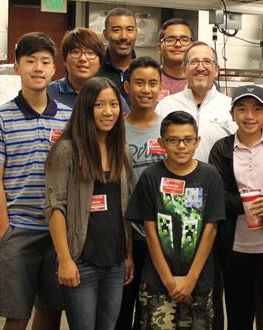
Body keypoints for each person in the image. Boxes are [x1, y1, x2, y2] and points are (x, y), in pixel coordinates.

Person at [0, 32, 69, 330]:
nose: (38, 68)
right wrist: (5, 230)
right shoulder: (1, 118)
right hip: (19, 231)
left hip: (58, 232)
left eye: (45, 61)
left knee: (52, 311)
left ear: (54, 68)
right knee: (16, 316)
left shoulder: (68, 117)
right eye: (30, 61)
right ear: (17, 67)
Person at [44, 77, 133, 330]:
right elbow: (55, 208)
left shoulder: (122, 151)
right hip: (81, 262)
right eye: (99, 105)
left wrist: (128, 255)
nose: (108, 112)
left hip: (115, 263)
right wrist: (65, 260)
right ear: (85, 109)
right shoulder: (67, 150)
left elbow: (122, 207)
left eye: (114, 104)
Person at [126, 111, 226, 329]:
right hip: (158, 282)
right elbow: (150, 233)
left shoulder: (210, 176)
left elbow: (211, 230)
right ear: (162, 143)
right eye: (173, 140)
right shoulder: (151, 177)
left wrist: (190, 280)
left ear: (197, 141)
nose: (181, 146)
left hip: (199, 281)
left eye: (188, 139)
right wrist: (170, 281)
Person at [208, 85, 263, 330]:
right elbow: (217, 195)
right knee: (239, 316)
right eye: (242, 109)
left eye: (257, 109)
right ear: (232, 114)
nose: (249, 116)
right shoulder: (221, 148)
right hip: (235, 248)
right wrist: (245, 204)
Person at [117, 56, 166, 330]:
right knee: (122, 310)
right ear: (127, 87)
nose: (146, 90)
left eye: (152, 83)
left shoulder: (169, 130)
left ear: (161, 88)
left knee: (155, 314)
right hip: (124, 235)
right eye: (139, 83)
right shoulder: (114, 129)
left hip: (160, 235)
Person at [156, 41, 234, 162]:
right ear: (184, 70)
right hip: (174, 179)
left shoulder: (231, 107)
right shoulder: (165, 105)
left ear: (216, 70)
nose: (200, 67)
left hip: (219, 180)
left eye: (207, 62)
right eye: (194, 62)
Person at [48, 27, 105, 108]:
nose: (83, 59)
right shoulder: (47, 94)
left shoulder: (110, 94)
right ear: (64, 60)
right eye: (76, 52)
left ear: (100, 62)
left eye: (90, 53)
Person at [99, 7, 138, 102]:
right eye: (116, 30)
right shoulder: (94, 70)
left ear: (136, 33)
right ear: (105, 34)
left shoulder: (143, 70)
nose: (124, 36)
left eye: (129, 30)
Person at [156, 18, 194, 101]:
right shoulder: (150, 79)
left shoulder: (203, 80)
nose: (177, 44)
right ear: (159, 47)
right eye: (170, 40)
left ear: (192, 46)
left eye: (184, 40)